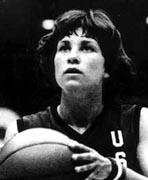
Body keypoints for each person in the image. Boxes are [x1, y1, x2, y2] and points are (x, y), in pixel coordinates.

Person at [3, 9, 148, 180]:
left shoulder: (139, 121)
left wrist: (116, 172)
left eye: (86, 48)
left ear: (107, 67)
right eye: (64, 48)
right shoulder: (21, 131)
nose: (72, 56)